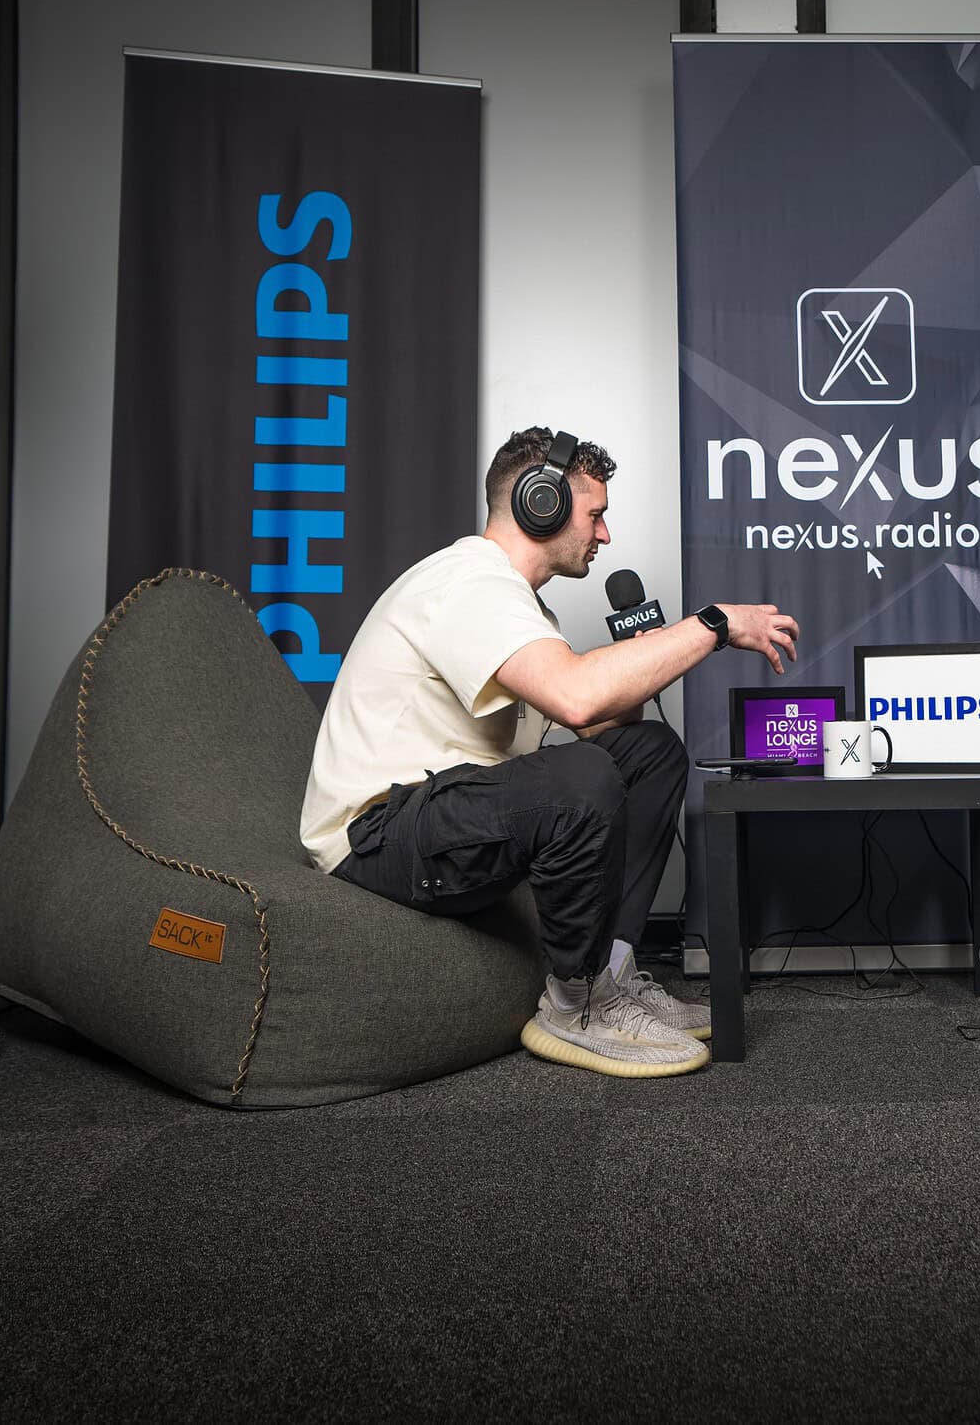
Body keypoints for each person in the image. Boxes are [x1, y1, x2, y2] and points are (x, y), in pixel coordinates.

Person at [299, 426, 801, 1080]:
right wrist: (711, 625)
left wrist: (644, 662)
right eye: (595, 515)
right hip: (375, 835)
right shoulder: (467, 584)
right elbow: (576, 701)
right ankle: (574, 1002)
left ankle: (611, 971)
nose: (605, 534)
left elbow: (596, 723)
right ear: (542, 502)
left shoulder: (523, 609)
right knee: (582, 775)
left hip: (448, 812)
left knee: (649, 750)